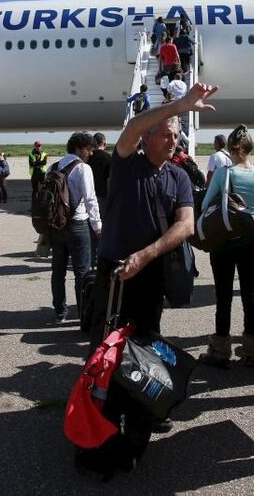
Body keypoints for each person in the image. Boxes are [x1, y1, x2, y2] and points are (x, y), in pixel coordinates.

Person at [91, 81, 219, 346]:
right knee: (106, 339)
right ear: (146, 138)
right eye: (165, 134)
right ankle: (101, 386)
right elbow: (133, 126)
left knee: (146, 339)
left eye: (175, 136)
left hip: (151, 270)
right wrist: (180, 106)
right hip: (116, 269)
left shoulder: (179, 176)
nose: (172, 141)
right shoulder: (127, 164)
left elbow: (186, 226)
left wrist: (146, 255)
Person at [197, 125, 254, 369]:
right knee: (250, 296)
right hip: (253, 240)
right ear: (250, 148)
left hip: (224, 241)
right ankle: (251, 350)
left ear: (231, 149)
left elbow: (207, 204)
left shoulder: (224, 173)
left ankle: (220, 350)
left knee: (224, 296)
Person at [50, 132, 102, 323]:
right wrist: (97, 226)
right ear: (79, 149)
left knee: (58, 271)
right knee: (82, 271)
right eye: (89, 149)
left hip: (57, 226)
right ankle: (83, 313)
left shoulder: (54, 166)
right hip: (78, 224)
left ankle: (60, 312)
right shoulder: (83, 168)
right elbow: (90, 199)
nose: (91, 153)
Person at [87, 132, 111, 219]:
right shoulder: (109, 158)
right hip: (104, 195)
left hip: (89, 194)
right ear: (104, 143)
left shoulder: (87, 158)